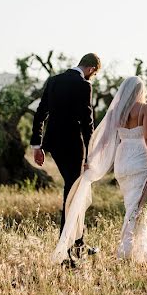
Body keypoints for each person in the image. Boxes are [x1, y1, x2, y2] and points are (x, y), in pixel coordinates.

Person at [50, 76, 147, 265]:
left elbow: (104, 140)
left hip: (122, 162)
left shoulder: (117, 111)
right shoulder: (144, 108)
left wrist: (89, 159)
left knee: (133, 206)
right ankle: (125, 251)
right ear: (140, 91)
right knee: (136, 208)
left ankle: (137, 251)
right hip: (140, 161)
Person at [30, 53, 101, 263]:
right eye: (93, 75)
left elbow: (40, 113)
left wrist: (37, 145)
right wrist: (92, 152)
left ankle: (78, 245)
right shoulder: (84, 85)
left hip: (54, 145)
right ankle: (66, 251)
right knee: (72, 194)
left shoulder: (54, 81)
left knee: (74, 192)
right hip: (73, 147)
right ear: (91, 69)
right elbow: (87, 123)